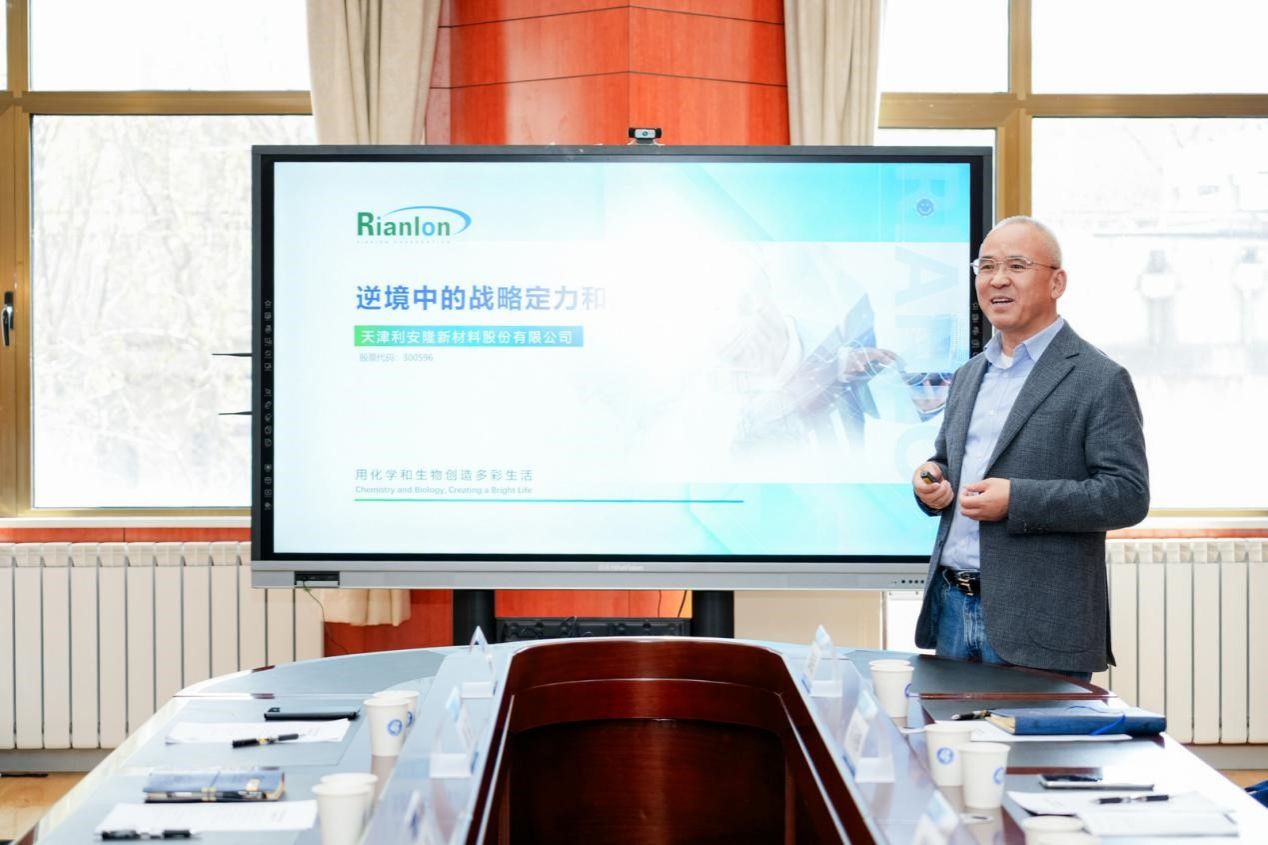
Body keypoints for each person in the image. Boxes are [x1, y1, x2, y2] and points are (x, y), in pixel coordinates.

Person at [911, 216, 1149, 679]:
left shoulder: (1099, 378)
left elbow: (1127, 495)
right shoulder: (969, 374)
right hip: (952, 612)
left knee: (1031, 735)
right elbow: (947, 460)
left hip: (1040, 625)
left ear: (1057, 282)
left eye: (1016, 266)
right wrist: (933, 480)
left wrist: (1016, 500)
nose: (997, 279)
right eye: (986, 266)